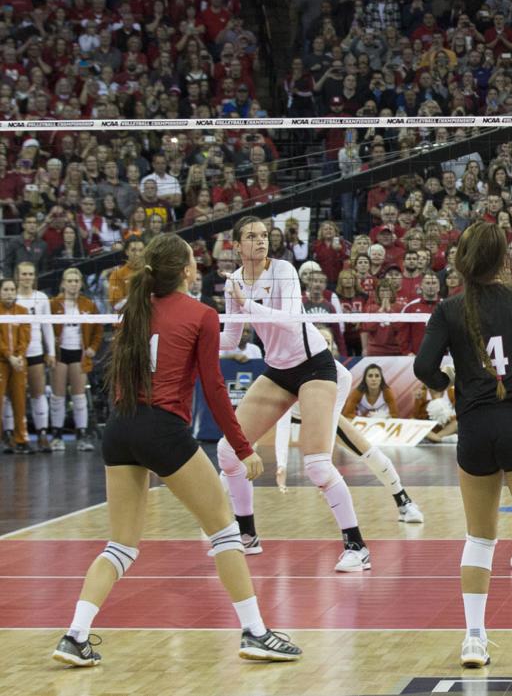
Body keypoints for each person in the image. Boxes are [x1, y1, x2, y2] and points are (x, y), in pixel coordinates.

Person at [52, 233, 300, 667]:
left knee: (121, 546)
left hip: (121, 426)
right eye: (193, 260)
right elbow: (215, 388)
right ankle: (256, 632)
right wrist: (244, 448)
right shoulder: (201, 314)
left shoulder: (133, 310)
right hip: (162, 429)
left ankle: (75, 635)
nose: (197, 266)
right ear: (186, 271)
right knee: (225, 531)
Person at [413, 221, 512, 676]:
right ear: (506, 259)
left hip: (475, 430)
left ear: (462, 262)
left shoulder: (448, 309)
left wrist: (445, 382)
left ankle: (473, 638)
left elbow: (423, 366)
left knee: (480, 539)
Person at [217, 217, 370, 573]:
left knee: (317, 463)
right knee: (228, 450)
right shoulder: (235, 283)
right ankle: (247, 535)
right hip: (279, 371)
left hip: (315, 365)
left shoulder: (284, 270)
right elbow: (229, 339)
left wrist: (248, 304)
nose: (260, 241)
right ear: (237, 246)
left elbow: (289, 320)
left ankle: (357, 545)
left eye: (263, 236)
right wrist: (196, 332)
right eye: (251, 237)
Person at [273, 361, 424, 522]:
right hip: (295, 415)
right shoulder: (292, 361)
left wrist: (327, 463)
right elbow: (282, 420)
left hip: (325, 414)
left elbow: (331, 419)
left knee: (370, 452)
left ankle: (403, 502)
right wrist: (281, 464)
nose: (323, 344)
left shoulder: (335, 369)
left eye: (328, 342)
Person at [50, 268, 102, 450]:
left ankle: (82, 435)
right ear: (63, 283)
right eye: (69, 280)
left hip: (79, 354)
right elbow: (46, 329)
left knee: (79, 396)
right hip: (59, 353)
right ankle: (56, 436)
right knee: (57, 396)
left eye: (76, 281)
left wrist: (93, 348)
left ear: (81, 283)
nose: (73, 284)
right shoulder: (54, 304)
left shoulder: (88, 304)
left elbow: (98, 329)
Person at [12, 261, 54, 450]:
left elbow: (47, 326)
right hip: (14, 354)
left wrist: (51, 351)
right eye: (24, 274)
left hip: (36, 351)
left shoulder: (42, 298)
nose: (27, 278)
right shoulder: (11, 297)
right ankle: (13, 435)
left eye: (30, 274)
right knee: (12, 396)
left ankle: (43, 433)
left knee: (38, 393)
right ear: (17, 276)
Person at [0, 280, 31, 454]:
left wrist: (19, 356)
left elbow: (25, 338)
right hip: (2, 361)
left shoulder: (23, 311)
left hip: (18, 362)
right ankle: (4, 438)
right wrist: (8, 355)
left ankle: (21, 439)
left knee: (20, 401)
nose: (9, 292)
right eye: (5, 289)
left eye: (12, 289)